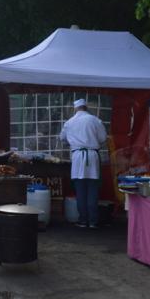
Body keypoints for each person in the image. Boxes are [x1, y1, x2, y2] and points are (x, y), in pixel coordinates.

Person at [59, 98, 107, 228]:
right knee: (92, 189)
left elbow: (62, 138)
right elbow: (103, 138)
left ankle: (83, 220)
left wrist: (73, 141)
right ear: (86, 107)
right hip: (92, 156)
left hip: (77, 157)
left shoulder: (69, 122)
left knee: (80, 190)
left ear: (75, 108)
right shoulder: (95, 120)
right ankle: (93, 221)